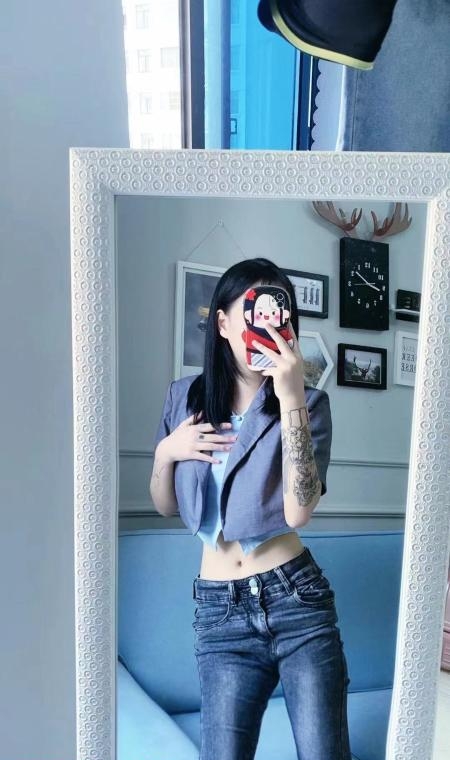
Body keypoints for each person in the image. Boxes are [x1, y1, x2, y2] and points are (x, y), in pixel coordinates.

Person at [150, 257, 351, 760]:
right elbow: (166, 506)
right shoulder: (184, 397)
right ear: (222, 323)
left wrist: (291, 396)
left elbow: (299, 512)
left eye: (278, 314)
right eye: (254, 311)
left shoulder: (309, 403)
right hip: (219, 612)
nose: (267, 325)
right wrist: (165, 452)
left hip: (296, 600)